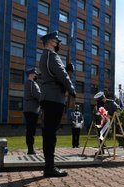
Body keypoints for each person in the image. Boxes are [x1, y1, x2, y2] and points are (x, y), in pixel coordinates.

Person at [39, 31, 76, 177]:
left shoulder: (45, 56)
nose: (58, 44)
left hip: (50, 96)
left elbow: (55, 73)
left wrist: (67, 70)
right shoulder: (52, 56)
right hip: (54, 98)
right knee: (50, 134)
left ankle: (49, 166)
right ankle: (49, 168)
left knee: (49, 133)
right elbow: (60, 75)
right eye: (56, 41)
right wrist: (71, 89)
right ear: (50, 42)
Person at [23, 68, 41, 155]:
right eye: (35, 74)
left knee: (30, 130)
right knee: (31, 130)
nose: (36, 75)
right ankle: (30, 149)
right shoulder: (31, 83)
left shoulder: (29, 83)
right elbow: (37, 95)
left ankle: (30, 148)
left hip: (30, 109)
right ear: (31, 74)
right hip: (31, 110)